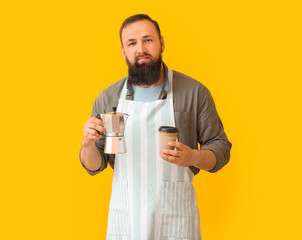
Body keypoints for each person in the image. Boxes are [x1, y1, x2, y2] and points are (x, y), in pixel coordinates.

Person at [79, 14, 232, 240]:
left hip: (176, 218)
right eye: (132, 43)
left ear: (161, 42)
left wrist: (192, 157)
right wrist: (88, 143)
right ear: (123, 51)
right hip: (126, 219)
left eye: (147, 40)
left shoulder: (194, 92)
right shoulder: (108, 99)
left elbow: (221, 148)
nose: (140, 49)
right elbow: (94, 166)